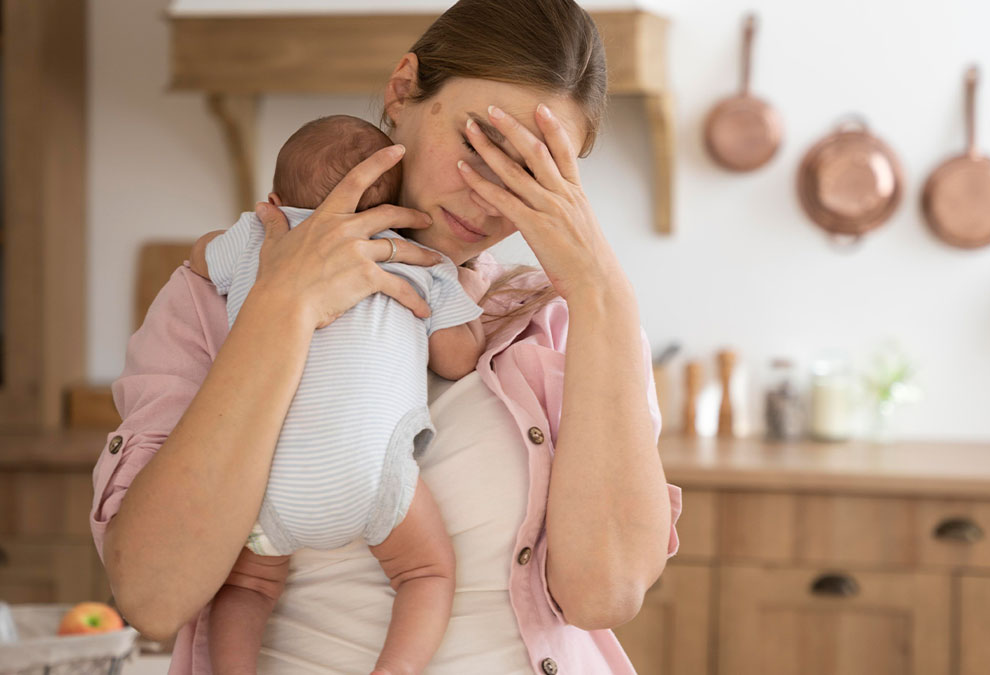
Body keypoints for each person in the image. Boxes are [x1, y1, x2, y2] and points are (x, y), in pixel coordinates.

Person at [89, 0, 682, 672]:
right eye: (477, 147)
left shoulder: (568, 321)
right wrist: (280, 309)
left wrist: (603, 289)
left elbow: (603, 593)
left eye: (530, 173)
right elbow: (153, 596)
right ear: (402, 91)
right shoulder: (215, 299)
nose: (490, 201)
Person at [191, 114, 485, 675]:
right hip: (369, 475)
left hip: (263, 477)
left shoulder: (258, 239)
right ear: (394, 209)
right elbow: (459, 358)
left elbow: (199, 260)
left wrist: (237, 234)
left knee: (249, 585)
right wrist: (465, 289)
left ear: (275, 200)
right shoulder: (417, 260)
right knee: (425, 574)